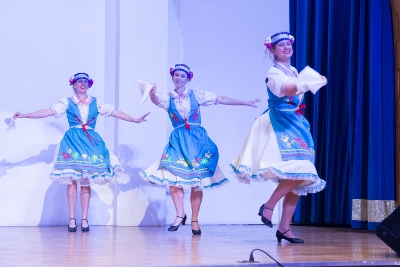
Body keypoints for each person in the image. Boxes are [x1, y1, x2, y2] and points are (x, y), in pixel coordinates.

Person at [13, 72, 149, 232]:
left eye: (85, 81)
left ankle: (84, 219)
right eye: (79, 81)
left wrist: (134, 119)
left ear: (89, 84)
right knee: (71, 180)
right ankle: (72, 219)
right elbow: (47, 112)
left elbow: (115, 112)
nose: (82, 84)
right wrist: (24, 115)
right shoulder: (67, 102)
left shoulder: (97, 103)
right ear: (74, 85)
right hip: (72, 142)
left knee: (85, 182)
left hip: (90, 142)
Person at [140, 64, 260, 235]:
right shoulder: (169, 98)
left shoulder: (197, 95)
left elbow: (220, 99)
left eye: (183, 76)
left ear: (188, 78)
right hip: (179, 140)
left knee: (197, 183)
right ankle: (180, 214)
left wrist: (244, 102)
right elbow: (156, 101)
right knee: (174, 177)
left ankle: (195, 219)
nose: (179, 78)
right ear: (172, 77)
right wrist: (152, 93)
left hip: (197, 140)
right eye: (176, 75)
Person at [230, 32, 327, 243]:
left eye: (288, 44)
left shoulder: (292, 70)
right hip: (280, 124)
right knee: (295, 171)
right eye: (280, 45)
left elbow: (296, 88)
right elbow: (288, 90)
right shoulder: (274, 72)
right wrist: (309, 82)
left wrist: (311, 81)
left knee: (302, 177)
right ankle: (269, 205)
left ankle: (284, 227)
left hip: (297, 124)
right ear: (272, 50)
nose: (286, 47)